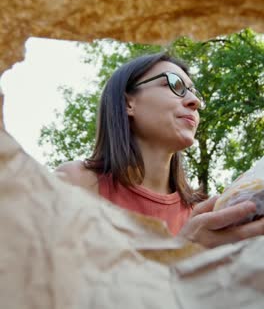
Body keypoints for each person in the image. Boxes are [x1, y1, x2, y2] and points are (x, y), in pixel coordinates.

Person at [56, 52, 264, 248]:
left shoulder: (204, 214)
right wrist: (182, 252)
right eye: (175, 84)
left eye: (194, 92)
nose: (195, 102)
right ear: (129, 103)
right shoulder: (76, 184)